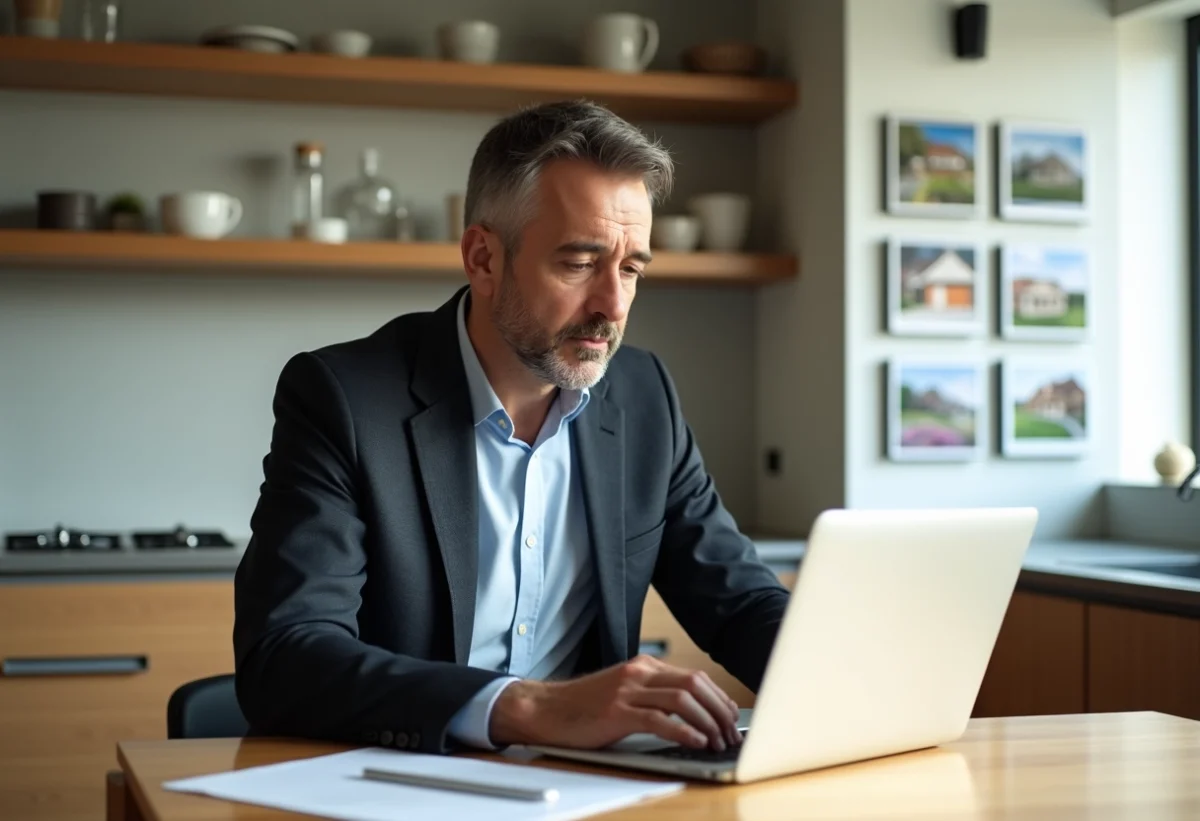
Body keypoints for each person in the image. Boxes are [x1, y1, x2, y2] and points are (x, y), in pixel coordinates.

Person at [233, 99, 790, 756]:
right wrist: (526, 706)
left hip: (591, 789)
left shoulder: (644, 397)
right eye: (580, 263)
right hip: (408, 784)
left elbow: (740, 602)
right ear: (484, 258)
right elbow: (285, 656)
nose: (613, 304)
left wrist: (863, 679)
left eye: (632, 268)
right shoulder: (346, 399)